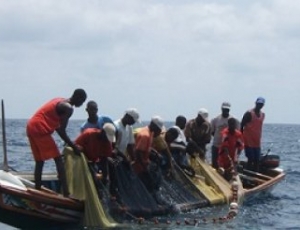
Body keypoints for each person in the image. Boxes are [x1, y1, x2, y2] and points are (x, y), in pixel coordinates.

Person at [26, 89, 87, 197]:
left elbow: (58, 128)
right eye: (82, 102)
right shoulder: (68, 108)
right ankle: (67, 193)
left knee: (40, 161)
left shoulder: (60, 100)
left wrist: (70, 144)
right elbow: (61, 131)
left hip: (31, 126)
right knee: (58, 159)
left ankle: (37, 189)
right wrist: (74, 147)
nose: (81, 105)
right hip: (40, 128)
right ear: (78, 98)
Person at [74, 123, 117, 197]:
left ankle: (97, 195)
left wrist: (105, 177)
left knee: (99, 179)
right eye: (106, 137)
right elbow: (75, 146)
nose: (107, 139)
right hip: (79, 159)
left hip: (93, 161)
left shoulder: (107, 143)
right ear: (102, 132)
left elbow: (104, 160)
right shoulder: (89, 133)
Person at [132, 116, 165, 194]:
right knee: (144, 188)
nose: (159, 131)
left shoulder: (150, 133)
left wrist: (156, 153)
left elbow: (146, 147)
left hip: (145, 164)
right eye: (158, 129)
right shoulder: (145, 135)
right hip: (139, 168)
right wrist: (145, 169)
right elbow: (138, 152)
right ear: (153, 125)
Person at [210, 102, 240, 169]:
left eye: (227, 110)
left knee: (228, 165)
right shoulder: (215, 119)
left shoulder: (234, 120)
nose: (226, 111)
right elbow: (212, 132)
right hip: (217, 145)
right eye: (224, 109)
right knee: (215, 164)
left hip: (229, 148)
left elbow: (237, 134)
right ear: (221, 109)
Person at [240, 97, 265, 171]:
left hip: (257, 142)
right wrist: (240, 137)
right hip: (248, 140)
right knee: (251, 158)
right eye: (258, 104)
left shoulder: (262, 115)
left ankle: (255, 173)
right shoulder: (249, 113)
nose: (259, 105)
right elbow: (242, 125)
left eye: (261, 104)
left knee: (257, 160)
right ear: (255, 103)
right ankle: (248, 173)